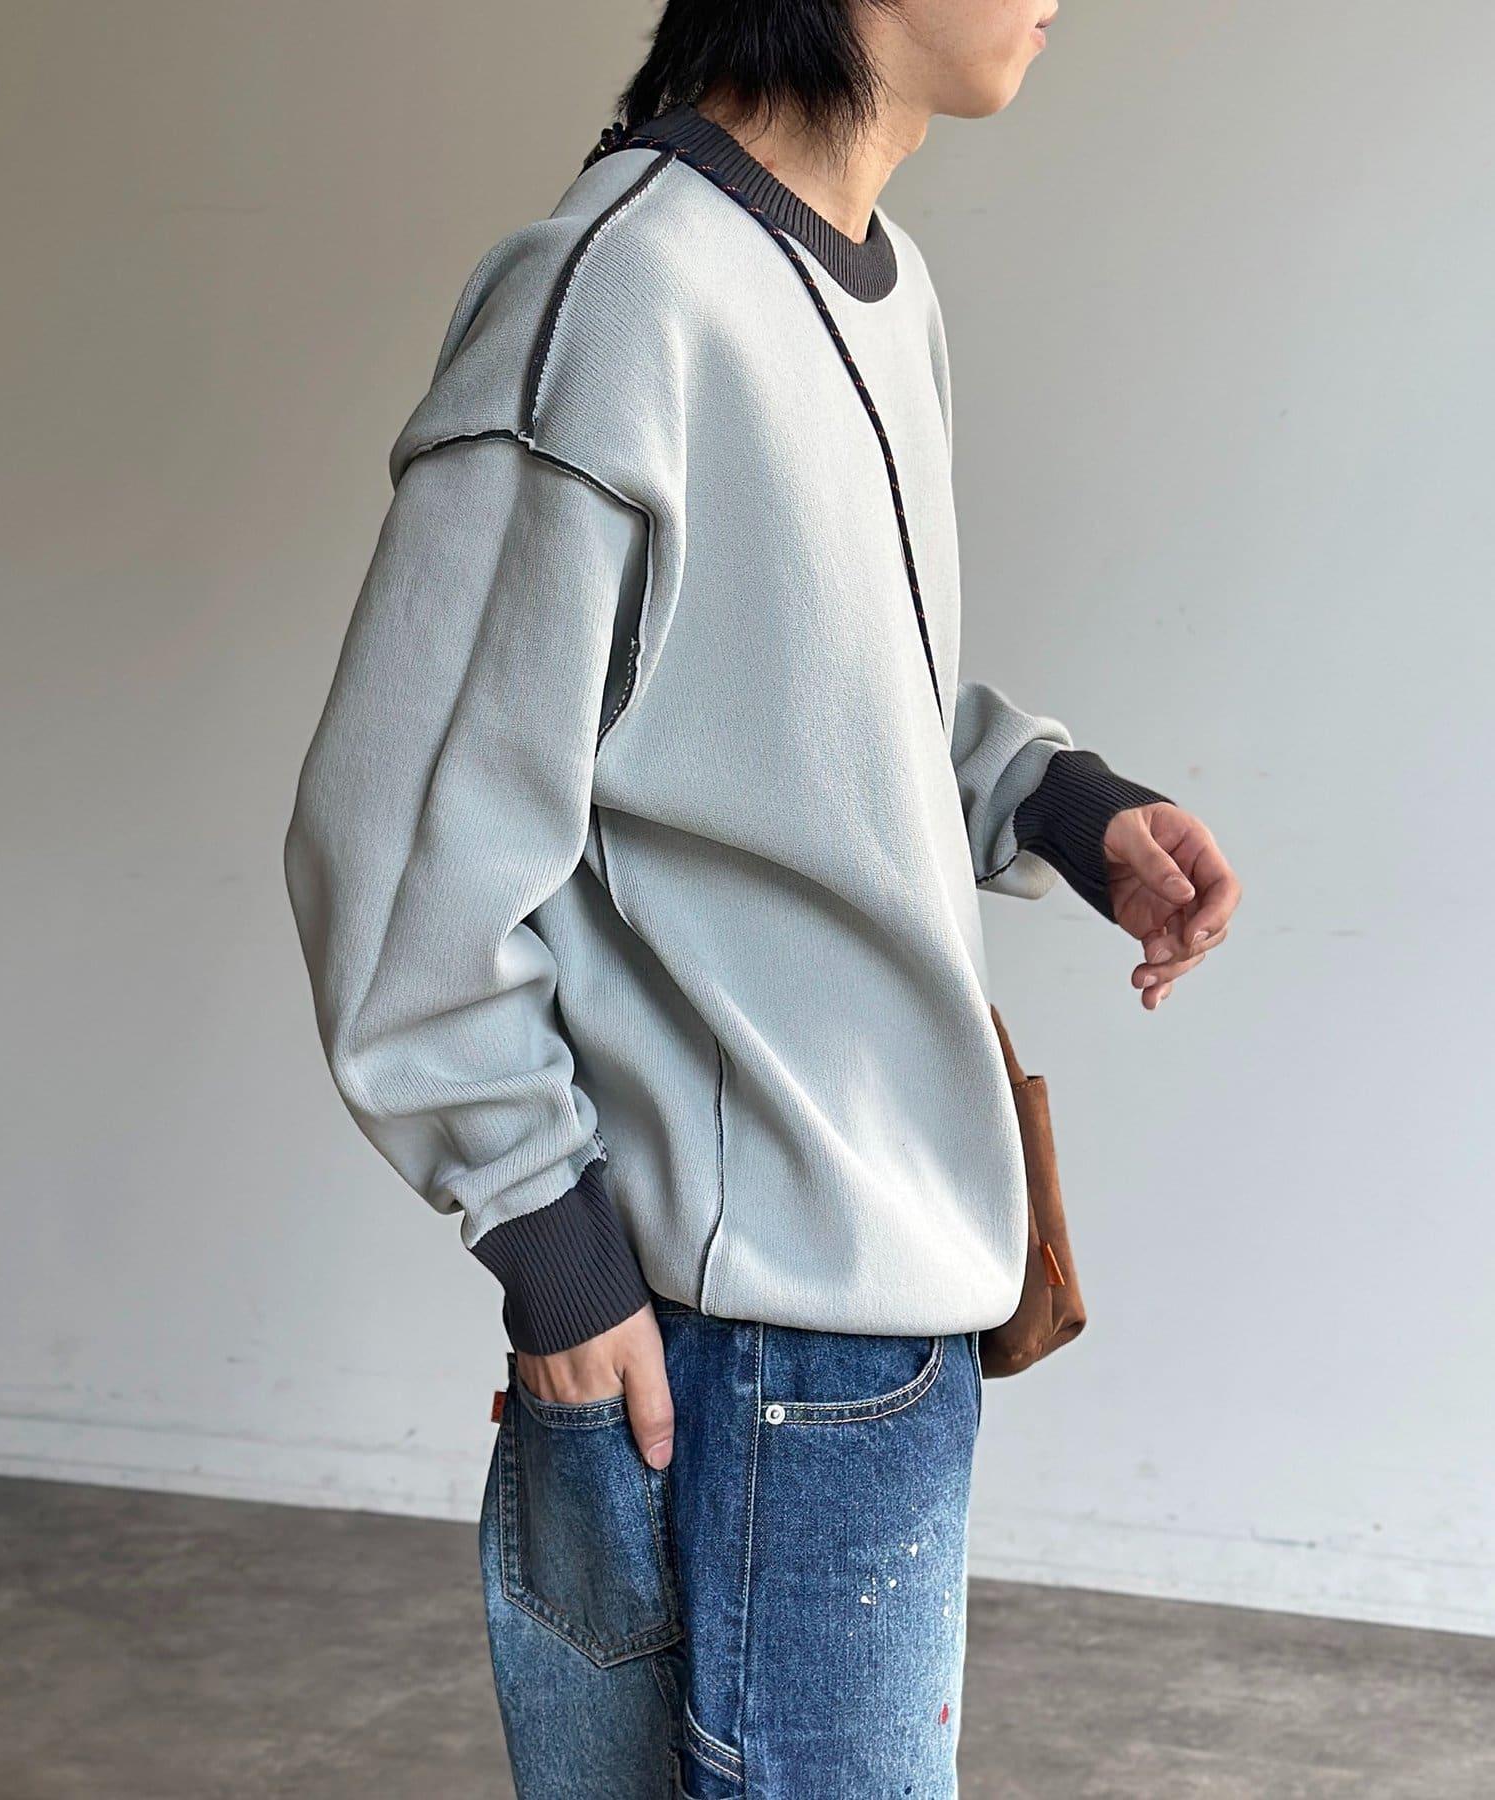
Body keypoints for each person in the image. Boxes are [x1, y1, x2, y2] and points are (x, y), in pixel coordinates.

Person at [283, 1, 1240, 1792]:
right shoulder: (618, 298)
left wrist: (1066, 806)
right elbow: (397, 839)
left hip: (876, 1330)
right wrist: (553, 1254)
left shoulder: (882, 284)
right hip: (734, 1352)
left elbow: (821, 698)